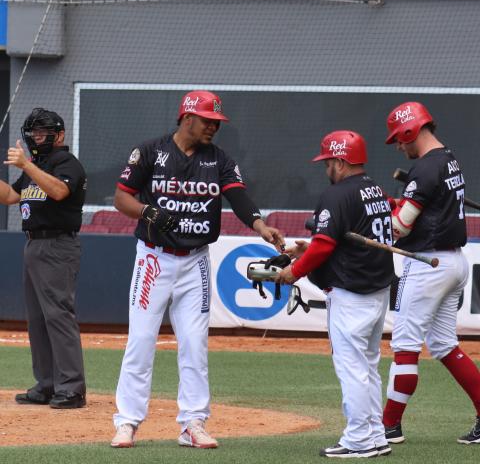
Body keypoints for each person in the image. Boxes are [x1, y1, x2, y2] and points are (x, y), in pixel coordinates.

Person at [110, 90, 285, 449]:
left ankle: (193, 423)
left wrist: (260, 226)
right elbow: (121, 197)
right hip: (154, 258)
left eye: (216, 122)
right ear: (187, 117)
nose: (213, 127)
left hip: (195, 261)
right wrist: (147, 211)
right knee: (141, 340)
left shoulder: (219, 159)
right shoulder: (149, 152)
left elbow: (238, 197)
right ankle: (127, 422)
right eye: (208, 120)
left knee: (194, 343)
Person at [276, 130, 394, 458]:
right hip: (376, 290)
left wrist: (293, 272)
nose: (326, 167)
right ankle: (374, 435)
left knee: (353, 367)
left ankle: (358, 440)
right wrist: (305, 249)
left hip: (352, 293)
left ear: (341, 161)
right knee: (367, 365)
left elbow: (326, 244)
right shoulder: (375, 190)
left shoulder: (337, 195)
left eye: (328, 161)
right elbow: (340, 240)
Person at [382, 101, 480, 445]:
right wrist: (399, 204)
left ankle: (388, 427)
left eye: (399, 138)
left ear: (411, 131)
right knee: (443, 344)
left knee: (405, 347)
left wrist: (379, 215)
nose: (398, 145)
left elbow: (399, 228)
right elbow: (428, 208)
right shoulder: (449, 158)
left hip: (427, 266)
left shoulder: (424, 169)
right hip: (455, 263)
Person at [0, 108, 87, 409]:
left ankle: (72, 388)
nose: (38, 137)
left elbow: (60, 191)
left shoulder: (67, 163)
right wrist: (25, 166)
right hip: (34, 245)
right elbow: (11, 197)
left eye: (43, 131)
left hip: (57, 244)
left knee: (58, 316)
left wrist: (27, 164)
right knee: (37, 319)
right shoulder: (35, 165)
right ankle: (47, 384)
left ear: (59, 135)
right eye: (34, 132)